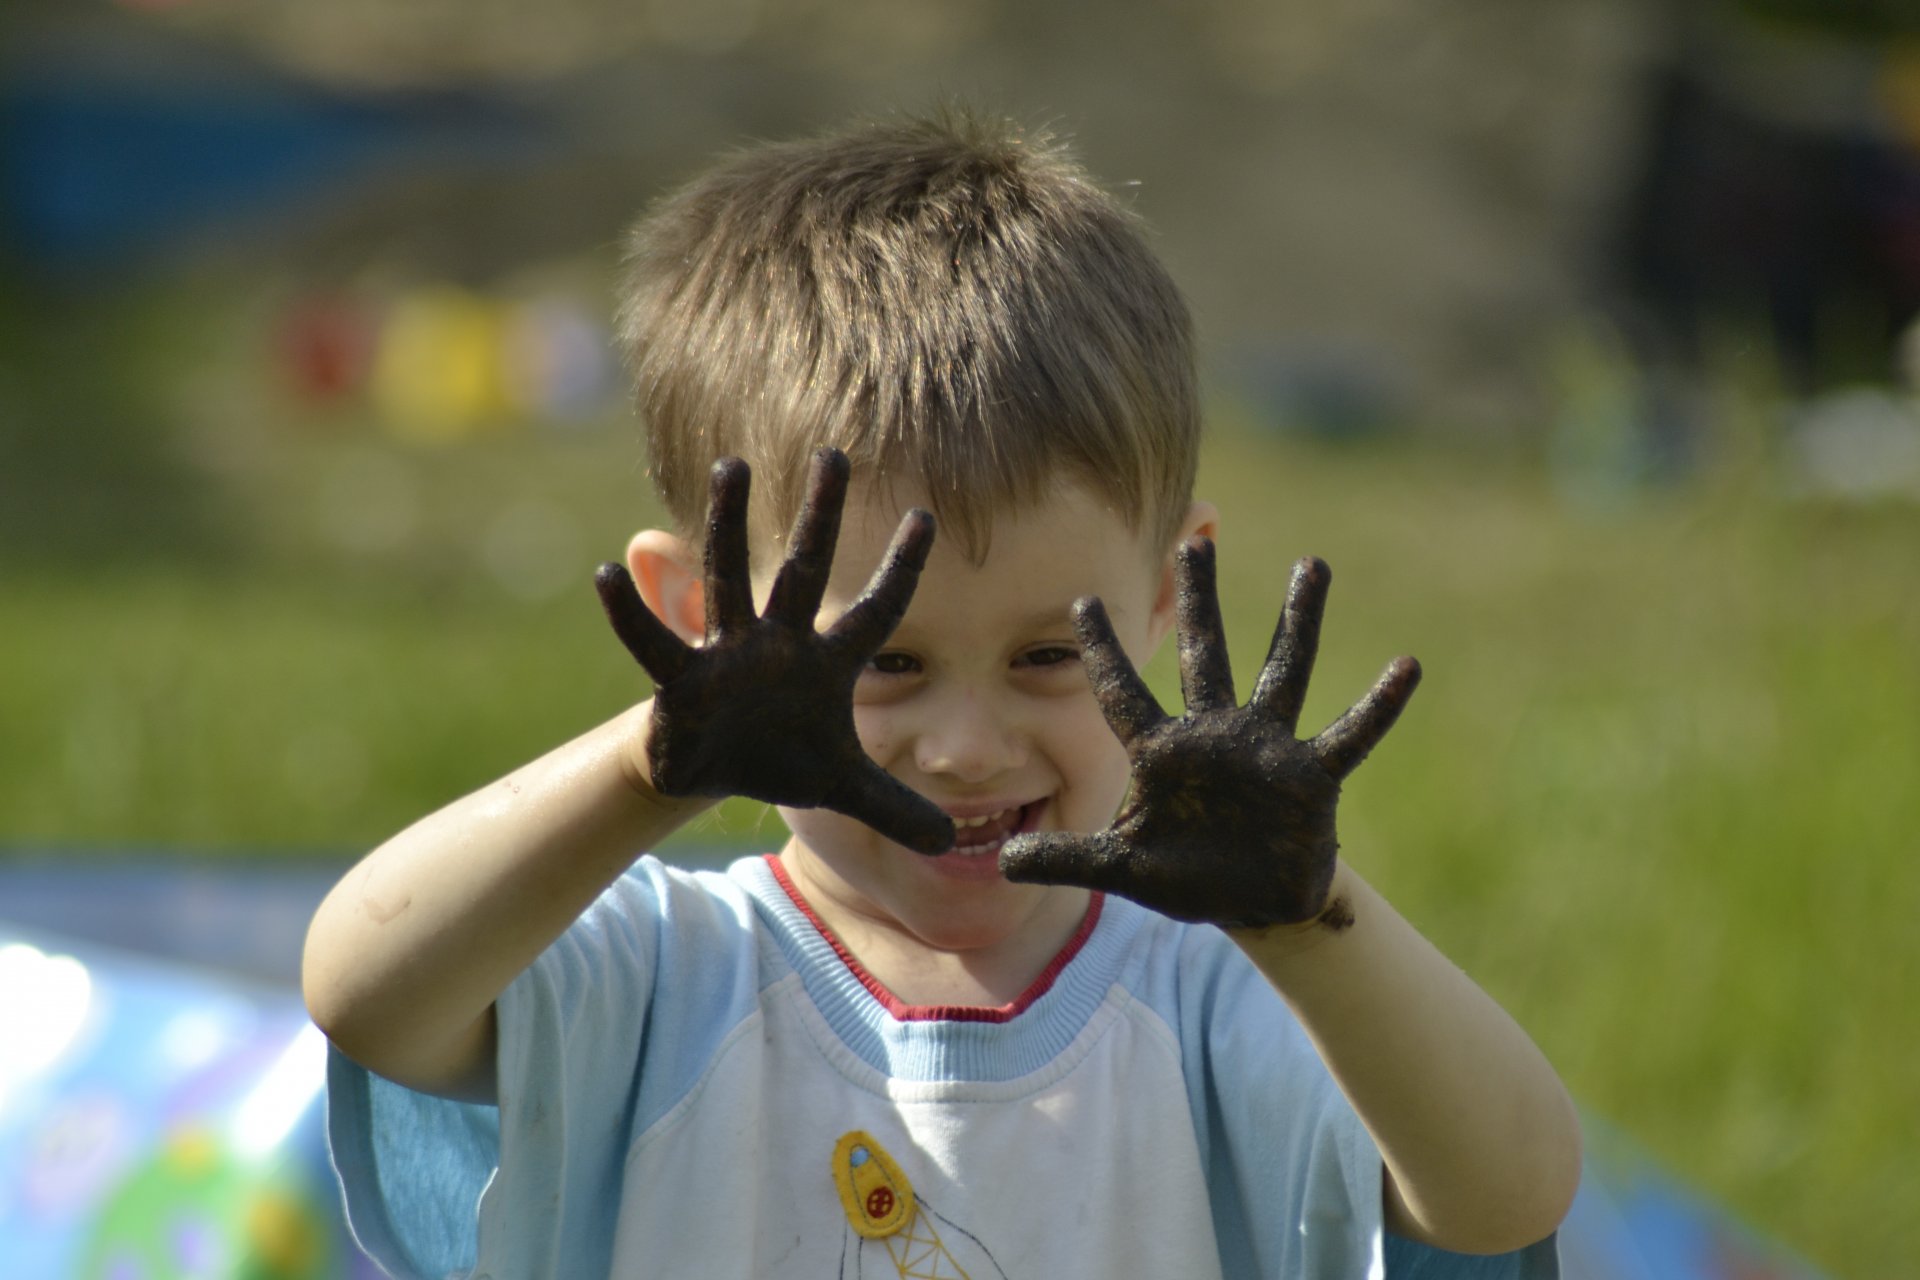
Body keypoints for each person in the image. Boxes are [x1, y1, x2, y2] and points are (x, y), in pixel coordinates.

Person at [303, 108, 1581, 1279]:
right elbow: (366, 987)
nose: (968, 748)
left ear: (1163, 598)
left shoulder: (1214, 1002)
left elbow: (1511, 1192)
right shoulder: (660, 980)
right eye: (882, 660)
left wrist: (1310, 917)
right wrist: (657, 755)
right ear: (704, 619)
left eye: (1048, 655)